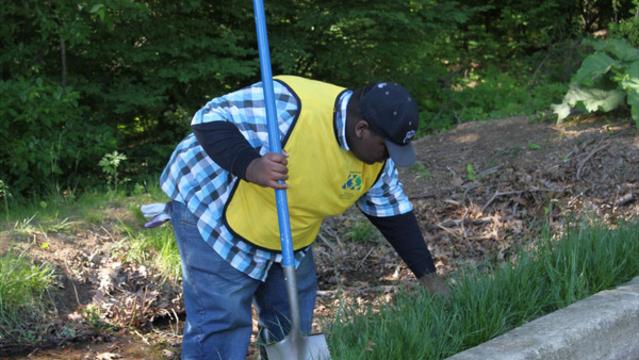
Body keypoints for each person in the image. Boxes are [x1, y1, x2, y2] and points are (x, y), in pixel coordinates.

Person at [158, 75, 448, 360]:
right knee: (223, 319)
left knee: (290, 318)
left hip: (286, 228)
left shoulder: (376, 160)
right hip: (213, 204)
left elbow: (393, 213)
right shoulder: (289, 105)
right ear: (361, 129)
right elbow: (207, 118)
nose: (389, 158)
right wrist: (251, 165)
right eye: (387, 148)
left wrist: (430, 278)